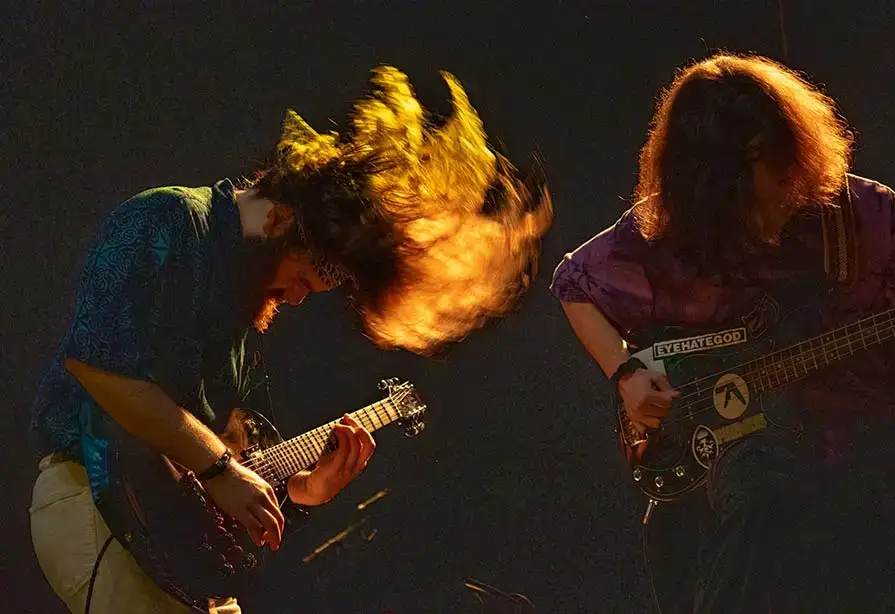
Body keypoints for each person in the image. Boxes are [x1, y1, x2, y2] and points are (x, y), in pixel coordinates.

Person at [30, 66, 552, 614]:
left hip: (171, 548)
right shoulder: (169, 220)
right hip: (93, 504)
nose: (300, 299)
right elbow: (98, 365)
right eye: (302, 279)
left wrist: (300, 492)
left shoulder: (240, 313)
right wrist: (220, 468)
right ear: (280, 220)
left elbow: (207, 464)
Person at [550, 53, 895, 613]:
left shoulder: (869, 217)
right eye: (734, 197)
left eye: (769, 177)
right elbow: (573, 284)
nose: (758, 208)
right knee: (756, 497)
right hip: (742, 474)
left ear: (791, 156)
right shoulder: (671, 231)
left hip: (874, 462)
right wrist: (627, 373)